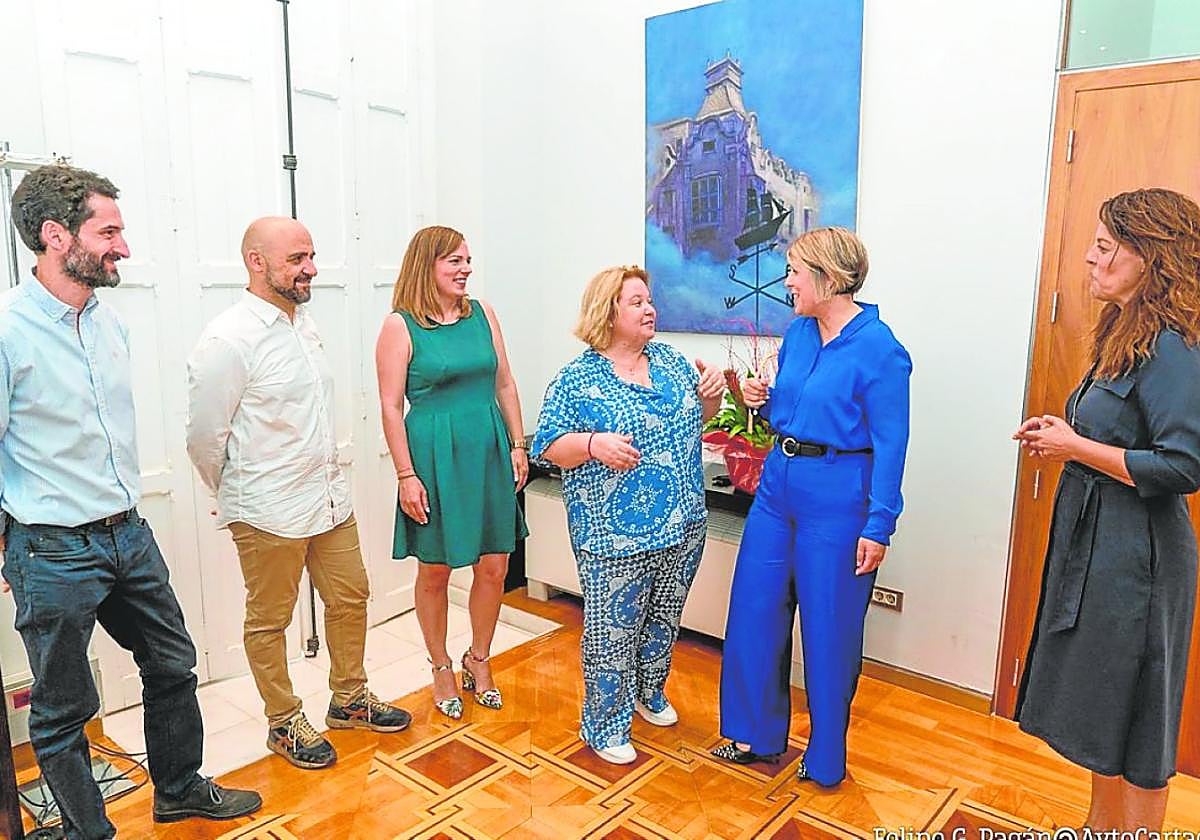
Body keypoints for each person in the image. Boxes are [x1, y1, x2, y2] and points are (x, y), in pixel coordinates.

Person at [0, 165, 261, 838]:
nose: (123, 246)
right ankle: (89, 833)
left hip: (128, 535)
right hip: (52, 549)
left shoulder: (109, 324)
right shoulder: (7, 329)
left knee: (172, 663)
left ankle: (177, 789)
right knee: (64, 709)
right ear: (56, 236)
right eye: (109, 231)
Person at [186, 217, 411, 771]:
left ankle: (349, 699)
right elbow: (204, 437)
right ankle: (283, 721)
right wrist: (236, 493)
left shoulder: (304, 324)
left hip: (328, 498)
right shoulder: (227, 340)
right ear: (256, 262)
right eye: (297, 259)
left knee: (351, 596)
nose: (310, 268)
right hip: (267, 509)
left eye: (311, 256)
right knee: (270, 620)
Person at [1013, 189, 1200, 832]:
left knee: (1140, 718)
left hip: (1138, 560)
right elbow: (1117, 434)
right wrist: (1064, 435)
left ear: (1149, 256)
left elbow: (1184, 466)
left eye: (1104, 247)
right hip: (1100, 544)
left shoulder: (1174, 346)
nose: (1091, 259)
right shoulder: (1125, 332)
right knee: (1105, 712)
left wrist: (1075, 447)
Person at [712, 227, 912, 786]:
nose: (788, 281)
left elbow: (892, 444)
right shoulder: (799, 333)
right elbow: (799, 405)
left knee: (829, 628)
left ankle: (825, 756)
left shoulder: (882, 350)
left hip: (840, 493)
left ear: (829, 277)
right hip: (778, 484)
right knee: (754, 608)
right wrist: (764, 398)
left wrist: (879, 524)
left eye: (795, 271)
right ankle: (754, 734)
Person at [532, 265, 725, 765]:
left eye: (649, 300)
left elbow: (695, 422)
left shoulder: (671, 362)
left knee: (664, 619)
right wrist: (593, 444)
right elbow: (548, 445)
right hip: (613, 537)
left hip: (683, 523)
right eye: (636, 302)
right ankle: (604, 725)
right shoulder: (576, 379)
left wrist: (710, 399)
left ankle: (648, 691)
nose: (649, 309)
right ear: (607, 312)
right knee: (612, 632)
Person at [376, 225, 528, 719]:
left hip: (487, 448)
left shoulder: (483, 314)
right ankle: (440, 665)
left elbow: (505, 383)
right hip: (434, 456)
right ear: (427, 265)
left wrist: (518, 444)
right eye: (454, 261)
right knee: (436, 569)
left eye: (467, 260)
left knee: (495, 564)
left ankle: (478, 658)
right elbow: (390, 405)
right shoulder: (400, 326)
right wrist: (406, 475)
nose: (466, 269)